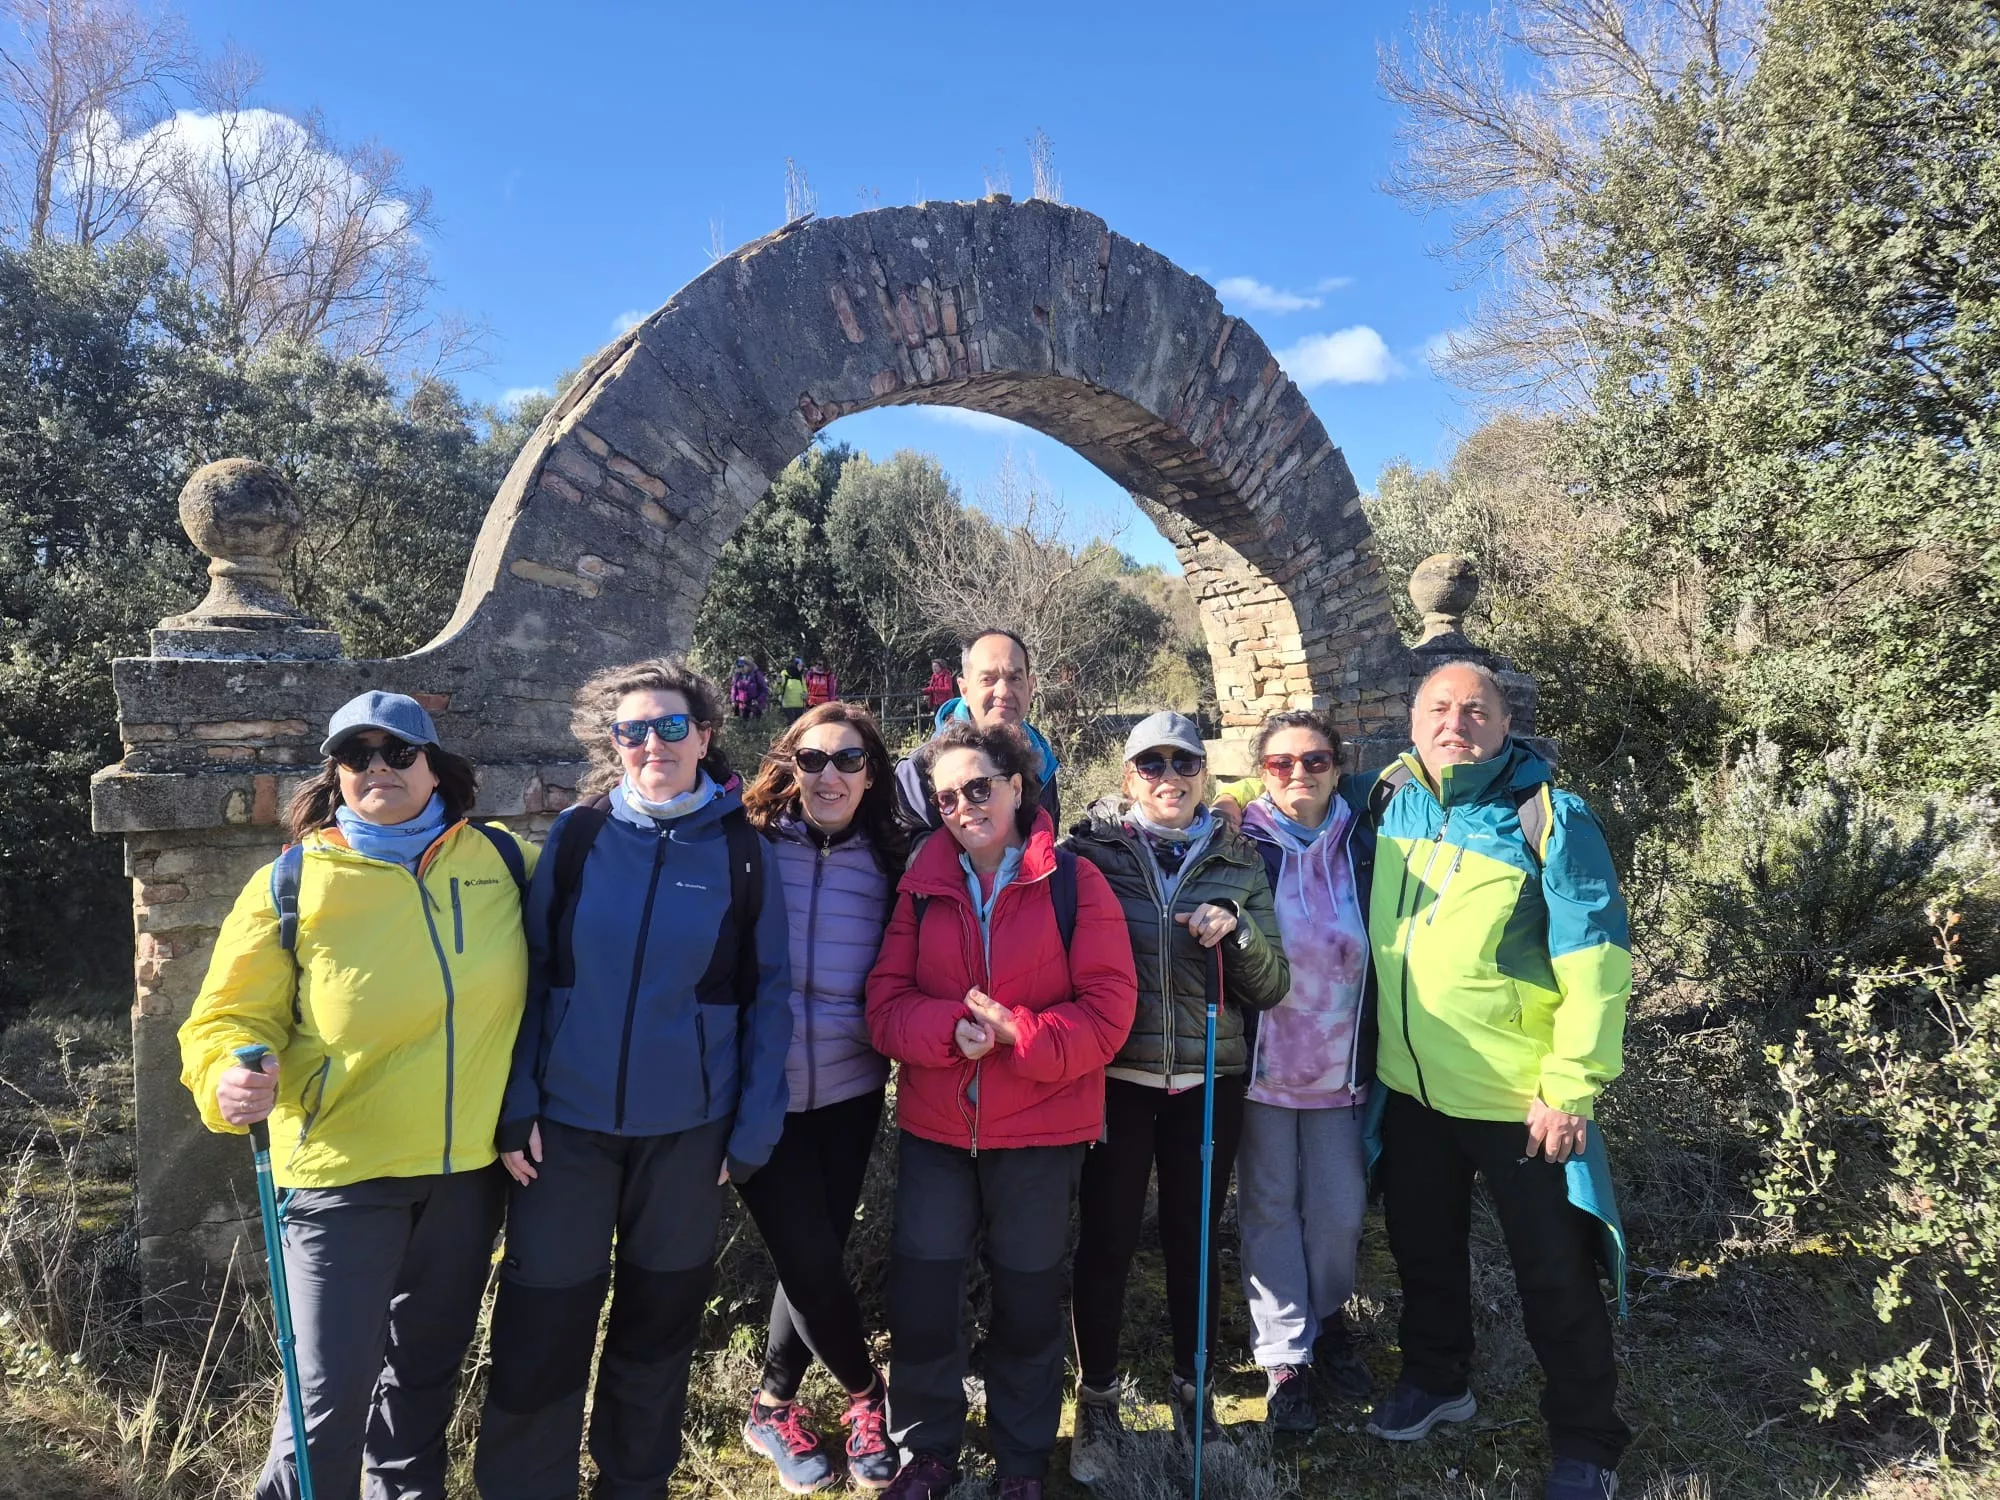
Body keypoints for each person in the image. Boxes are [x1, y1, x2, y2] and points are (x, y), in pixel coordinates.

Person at [178, 691, 535, 1500]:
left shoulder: (504, 861)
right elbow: (227, 1017)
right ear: (335, 774)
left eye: (398, 752)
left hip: (466, 1173)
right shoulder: (292, 881)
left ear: (434, 767)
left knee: (421, 1386)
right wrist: (225, 1074)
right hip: (340, 1177)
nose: (378, 767)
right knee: (327, 1402)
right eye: (355, 755)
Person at [475, 658, 793, 1500]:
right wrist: (517, 1100)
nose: (654, 743)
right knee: (541, 1327)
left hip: (688, 1137)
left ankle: (634, 1485)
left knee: (656, 1332)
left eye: (672, 726)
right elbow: (533, 973)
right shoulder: (579, 837)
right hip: (565, 1133)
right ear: (614, 744)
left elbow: (769, 994)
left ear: (705, 736)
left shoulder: (742, 851)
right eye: (633, 730)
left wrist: (754, 1129)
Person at [1361, 660, 1631, 1500]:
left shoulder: (1549, 816)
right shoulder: (1390, 798)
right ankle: (1438, 1379)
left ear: (1505, 722)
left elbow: (1597, 960)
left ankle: (1586, 1440)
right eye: (1439, 708)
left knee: (1554, 1272)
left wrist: (1571, 1085)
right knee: (1422, 1249)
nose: (1456, 723)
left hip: (1520, 1101)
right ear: (1413, 722)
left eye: (1475, 710)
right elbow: (1290, 803)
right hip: (1413, 1090)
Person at [865, 721, 1137, 1500]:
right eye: (947, 797)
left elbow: (1110, 1012)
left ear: (1017, 787)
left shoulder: (1074, 881)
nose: (963, 807)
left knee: (1027, 1305)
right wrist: (948, 1030)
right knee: (925, 1302)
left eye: (979, 787)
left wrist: (1018, 1033)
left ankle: (1022, 1461)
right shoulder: (923, 881)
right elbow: (885, 1005)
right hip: (937, 1131)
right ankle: (927, 1452)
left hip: (1041, 1135)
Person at [1064, 711, 1290, 1484]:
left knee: (1194, 1241)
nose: (1169, 777)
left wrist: (1240, 934)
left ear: (1204, 774)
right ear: (1129, 776)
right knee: (1107, 1239)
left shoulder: (1238, 860)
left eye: (1183, 763)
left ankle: (1195, 1396)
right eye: (1152, 763)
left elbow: (1273, 985)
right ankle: (1097, 1402)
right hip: (1118, 1081)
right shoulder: (1089, 856)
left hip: (1207, 1084)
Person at [735, 703, 908, 1493]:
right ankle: (867, 1394)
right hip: (759, 1092)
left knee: (817, 1262)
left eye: (847, 760)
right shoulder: (748, 846)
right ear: (790, 768)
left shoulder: (894, 858)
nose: (829, 775)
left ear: (871, 774)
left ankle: (771, 1406)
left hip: (849, 1089)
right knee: (806, 1258)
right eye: (812, 760)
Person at [1232, 710, 1377, 1433]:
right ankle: (1285, 1355)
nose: (1298, 774)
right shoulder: (1240, 843)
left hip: (1342, 1072)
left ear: (1337, 768)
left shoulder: (1367, 843)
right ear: (1260, 773)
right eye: (1280, 762)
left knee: (1339, 1214)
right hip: (1262, 1070)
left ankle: (1327, 1315)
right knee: (1268, 1210)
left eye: (1315, 761)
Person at [893, 629, 1064, 834]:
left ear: (1030, 687)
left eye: (1015, 678)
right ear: (964, 690)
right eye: (988, 679)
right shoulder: (918, 772)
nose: (1003, 692)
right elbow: (910, 849)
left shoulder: (1042, 762)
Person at [731, 657, 768, 721]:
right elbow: (734, 688)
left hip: (754, 705)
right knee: (741, 724)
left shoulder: (756, 675)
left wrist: (758, 700)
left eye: (743, 666)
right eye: (739, 667)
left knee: (755, 724)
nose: (741, 668)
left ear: (749, 665)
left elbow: (764, 690)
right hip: (741, 705)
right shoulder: (738, 675)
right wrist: (733, 700)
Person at [780, 658, 810, 724]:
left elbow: (805, 689)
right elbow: (779, 689)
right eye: (799, 665)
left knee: (798, 725)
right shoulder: (785, 674)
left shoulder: (800, 676)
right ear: (794, 665)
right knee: (790, 725)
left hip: (800, 706)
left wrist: (806, 695)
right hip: (788, 706)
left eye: (802, 666)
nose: (801, 668)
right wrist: (778, 683)